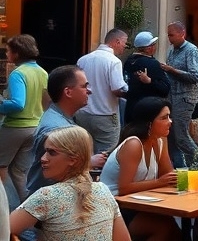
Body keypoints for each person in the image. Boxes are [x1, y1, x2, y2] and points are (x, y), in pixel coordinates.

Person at [11, 125, 130, 241]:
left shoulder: (47, 195)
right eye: (45, 151)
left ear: (73, 160)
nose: (43, 158)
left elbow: (5, 229)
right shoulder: (103, 190)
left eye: (51, 152)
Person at [99, 97, 180, 241]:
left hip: (139, 204)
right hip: (115, 207)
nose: (170, 121)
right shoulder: (133, 145)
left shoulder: (160, 139)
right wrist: (161, 182)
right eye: (164, 118)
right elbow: (124, 188)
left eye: (169, 116)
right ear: (149, 123)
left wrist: (174, 178)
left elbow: (168, 174)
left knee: (175, 230)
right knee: (164, 227)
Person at [27, 65, 107, 195]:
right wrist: (89, 162)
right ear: (68, 92)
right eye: (84, 86)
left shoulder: (60, 118)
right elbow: (52, 173)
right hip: (50, 203)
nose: (89, 91)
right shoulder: (57, 128)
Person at [0, 34, 49, 203]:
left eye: (8, 50)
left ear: (17, 53)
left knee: (2, 167)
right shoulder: (42, 72)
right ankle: (28, 207)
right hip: (35, 126)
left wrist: (1, 105)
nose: (6, 54)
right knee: (20, 172)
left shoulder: (18, 73)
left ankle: (8, 208)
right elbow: (46, 101)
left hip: (15, 126)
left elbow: (17, 104)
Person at [160, 22, 198, 175]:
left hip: (185, 98)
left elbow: (194, 76)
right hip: (173, 97)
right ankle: (181, 169)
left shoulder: (191, 50)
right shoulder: (172, 51)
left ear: (182, 34)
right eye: (168, 35)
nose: (169, 38)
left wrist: (171, 70)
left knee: (181, 136)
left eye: (171, 35)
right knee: (172, 136)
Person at [76, 29, 129, 155]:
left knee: (85, 151)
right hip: (105, 114)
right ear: (117, 41)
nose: (124, 47)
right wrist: (129, 90)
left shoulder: (83, 59)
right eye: (124, 43)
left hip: (83, 113)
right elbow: (117, 89)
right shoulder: (114, 61)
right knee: (106, 154)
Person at [123, 33, 170, 124]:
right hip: (148, 111)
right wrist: (150, 81)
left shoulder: (128, 62)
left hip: (130, 109)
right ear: (149, 48)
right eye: (154, 44)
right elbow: (165, 88)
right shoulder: (152, 64)